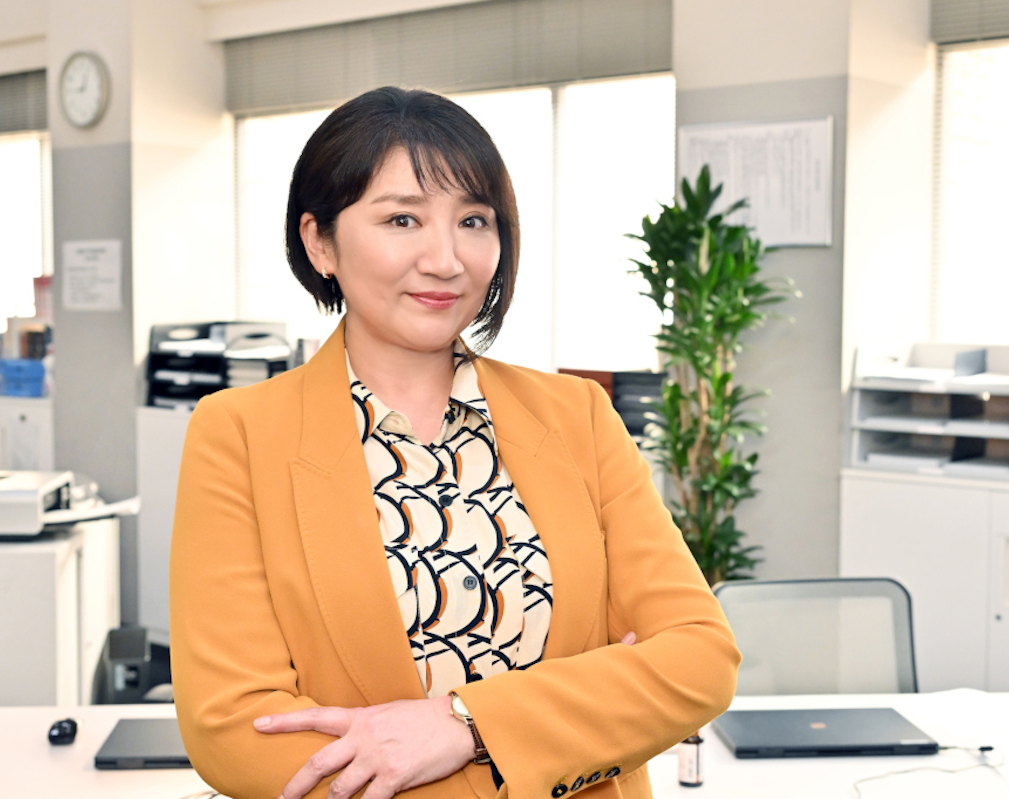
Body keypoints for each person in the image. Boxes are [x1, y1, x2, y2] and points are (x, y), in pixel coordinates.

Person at [170, 86, 739, 799]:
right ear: (320, 242)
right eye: (401, 219)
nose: (445, 260)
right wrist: (572, 719)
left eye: (473, 220)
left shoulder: (578, 417)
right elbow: (235, 730)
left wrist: (465, 725)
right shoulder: (238, 435)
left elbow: (698, 659)